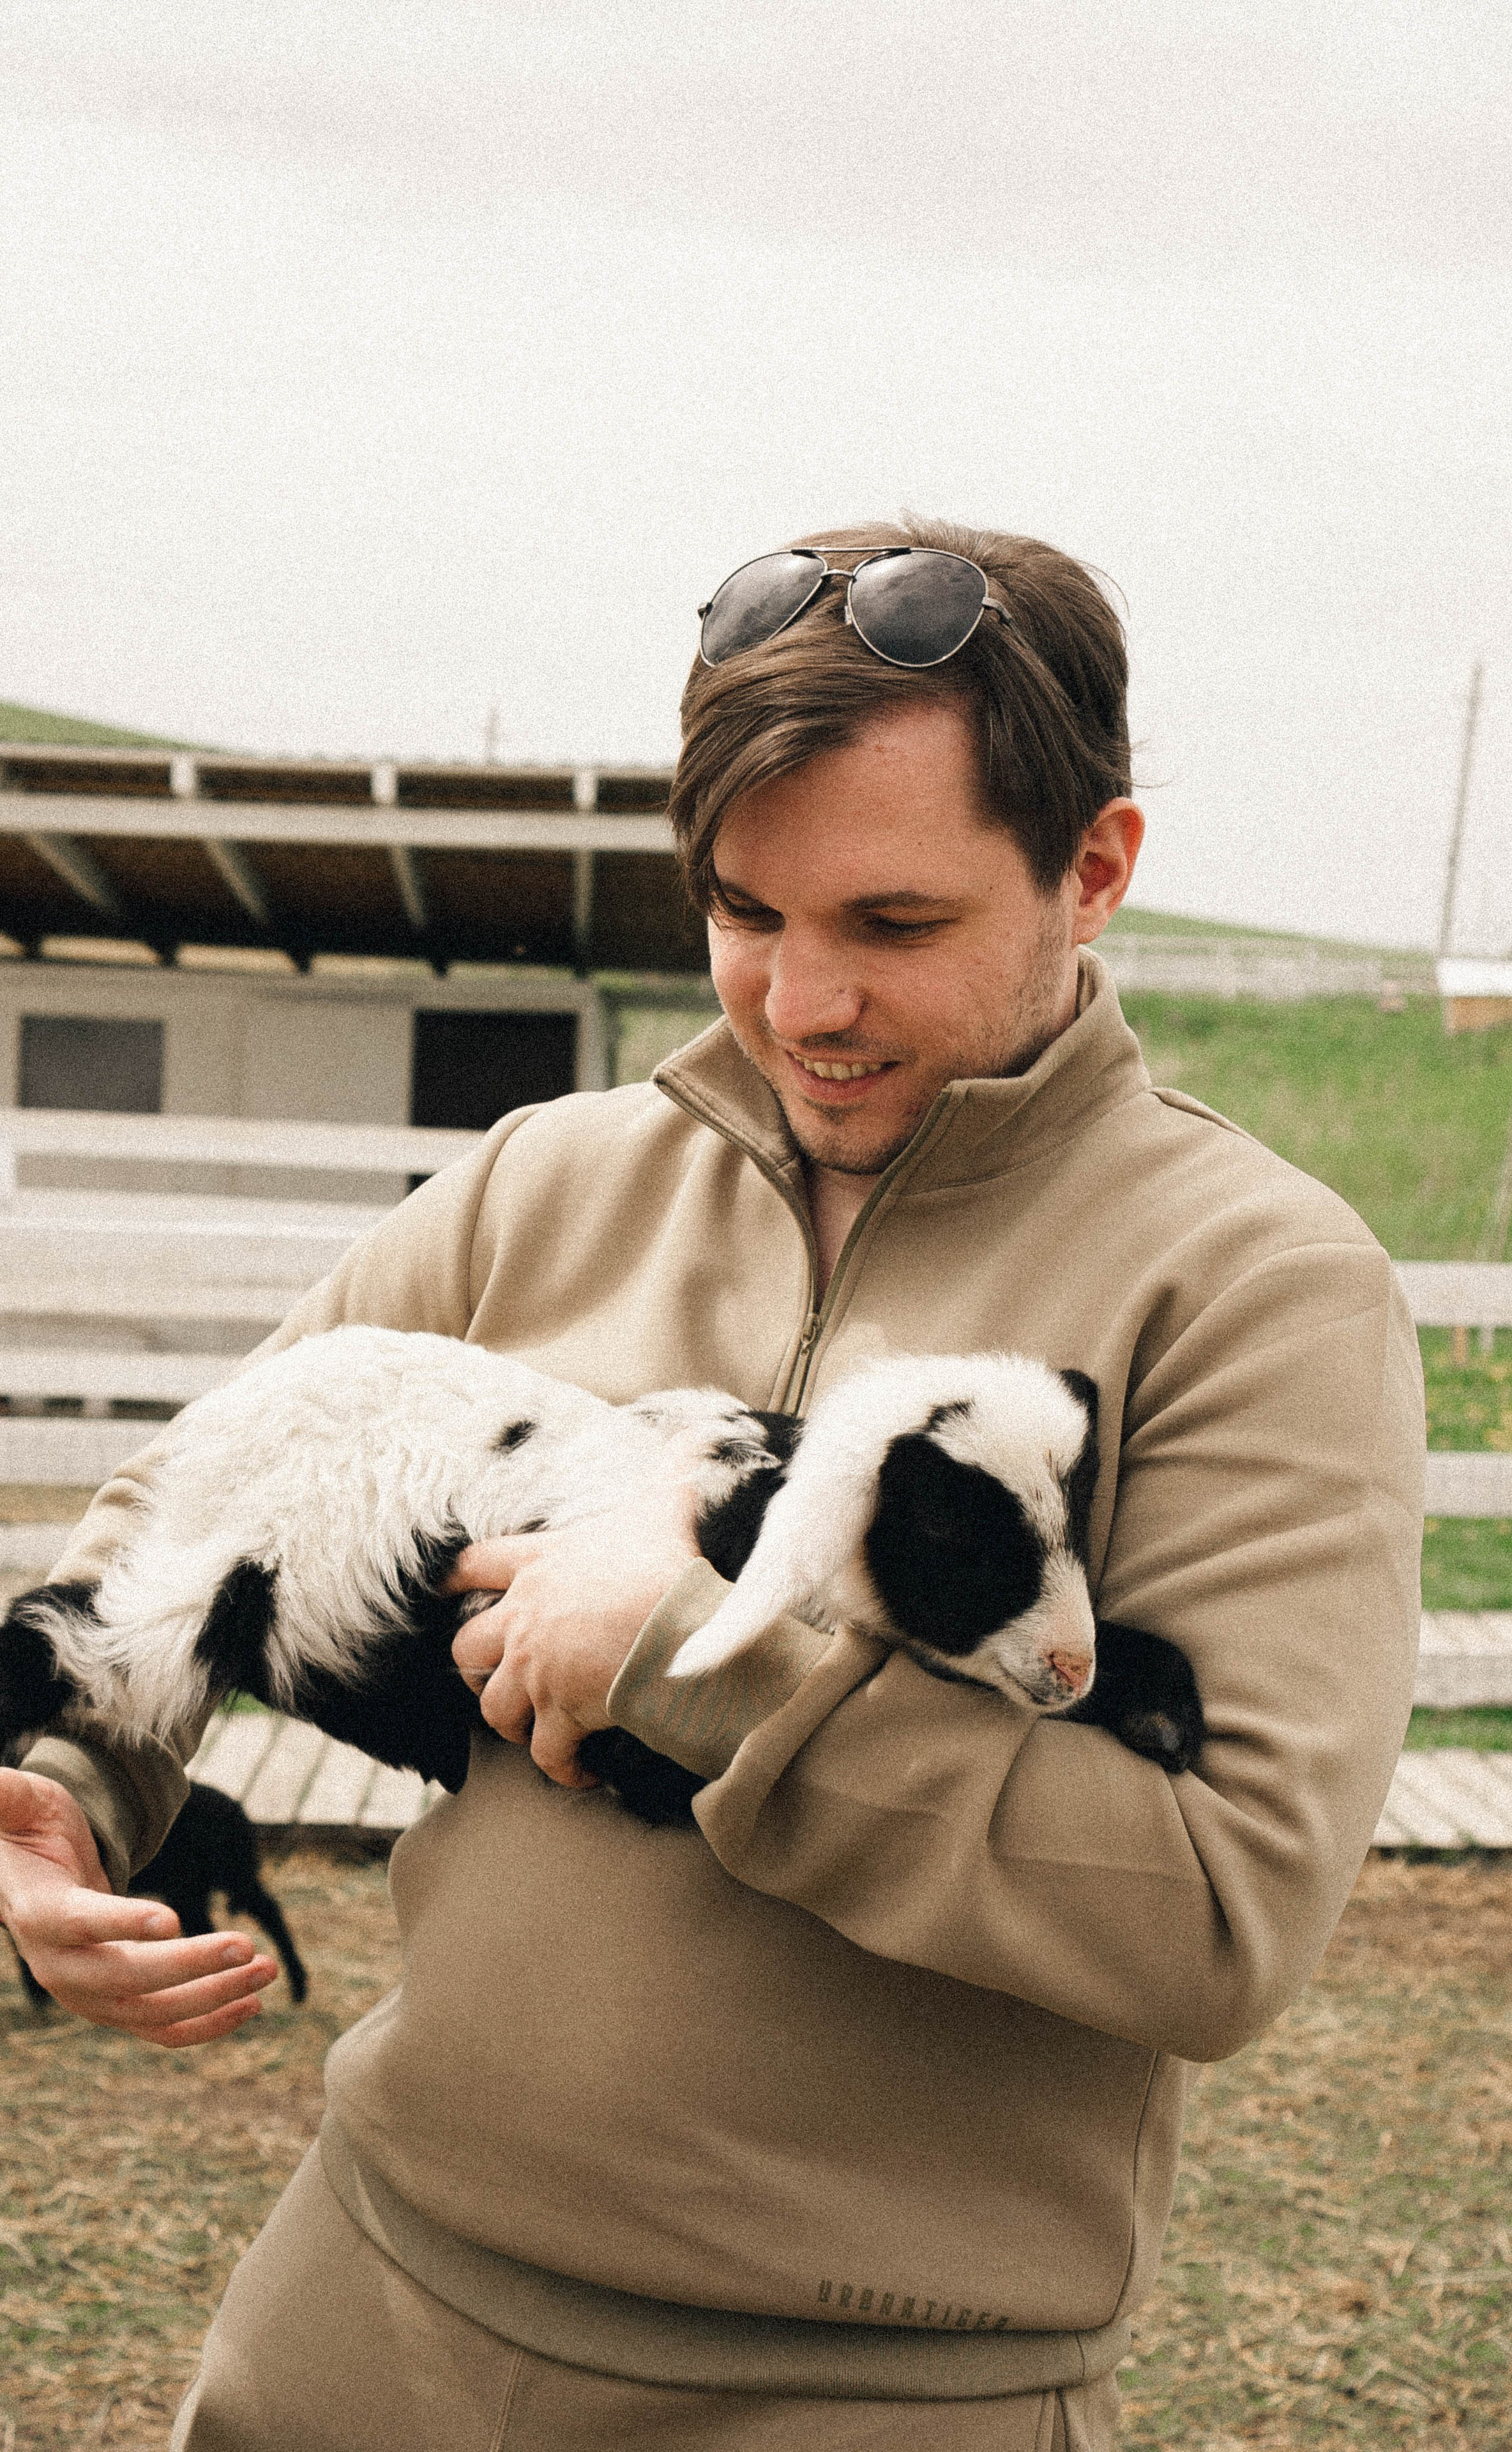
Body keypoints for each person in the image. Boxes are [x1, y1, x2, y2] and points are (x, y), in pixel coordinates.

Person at [0, 518, 1424, 2450]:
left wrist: (691, 1659)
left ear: (1095, 871)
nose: (800, 1004)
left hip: (869, 2396)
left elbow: (1216, 1918)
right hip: (360, 2303)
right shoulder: (541, 1178)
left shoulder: (1258, 1287)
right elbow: (185, 1512)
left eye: (891, 925)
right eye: (747, 913)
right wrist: (63, 1800)